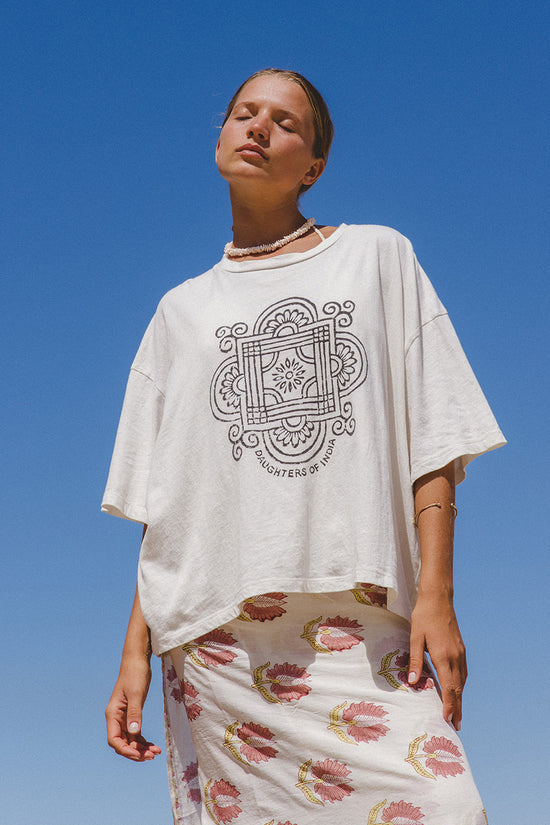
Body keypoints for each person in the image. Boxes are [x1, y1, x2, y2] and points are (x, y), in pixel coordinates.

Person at [103, 69, 505, 825]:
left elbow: (436, 435)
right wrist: (134, 653)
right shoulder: (178, 315)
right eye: (242, 115)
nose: (257, 128)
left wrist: (438, 596)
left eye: (284, 123)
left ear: (314, 165)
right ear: (218, 136)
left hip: (360, 623)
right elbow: (169, 504)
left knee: (449, 808)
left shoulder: (378, 258)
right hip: (214, 642)